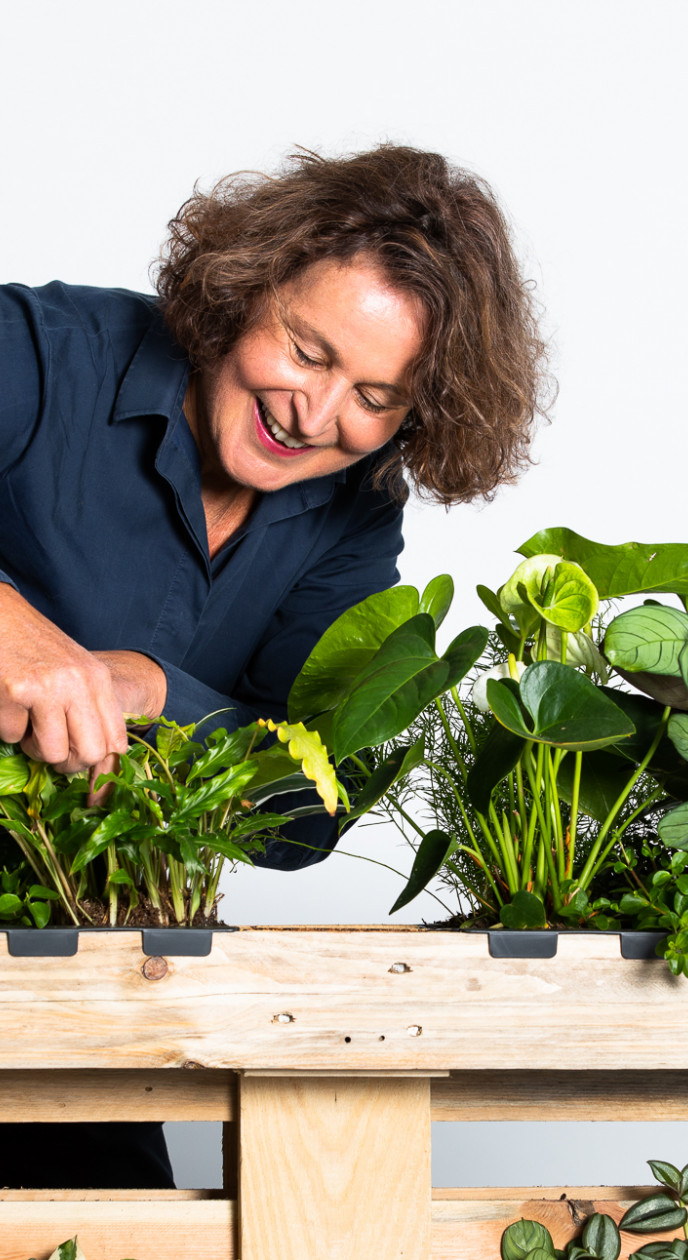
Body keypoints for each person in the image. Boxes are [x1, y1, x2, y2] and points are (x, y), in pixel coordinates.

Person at [0, 144, 548, 1189]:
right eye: (305, 350)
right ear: (245, 286)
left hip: (82, 1001)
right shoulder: (39, 352)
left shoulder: (348, 525)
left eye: (375, 396)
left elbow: (307, 810)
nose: (313, 412)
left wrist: (154, 689)